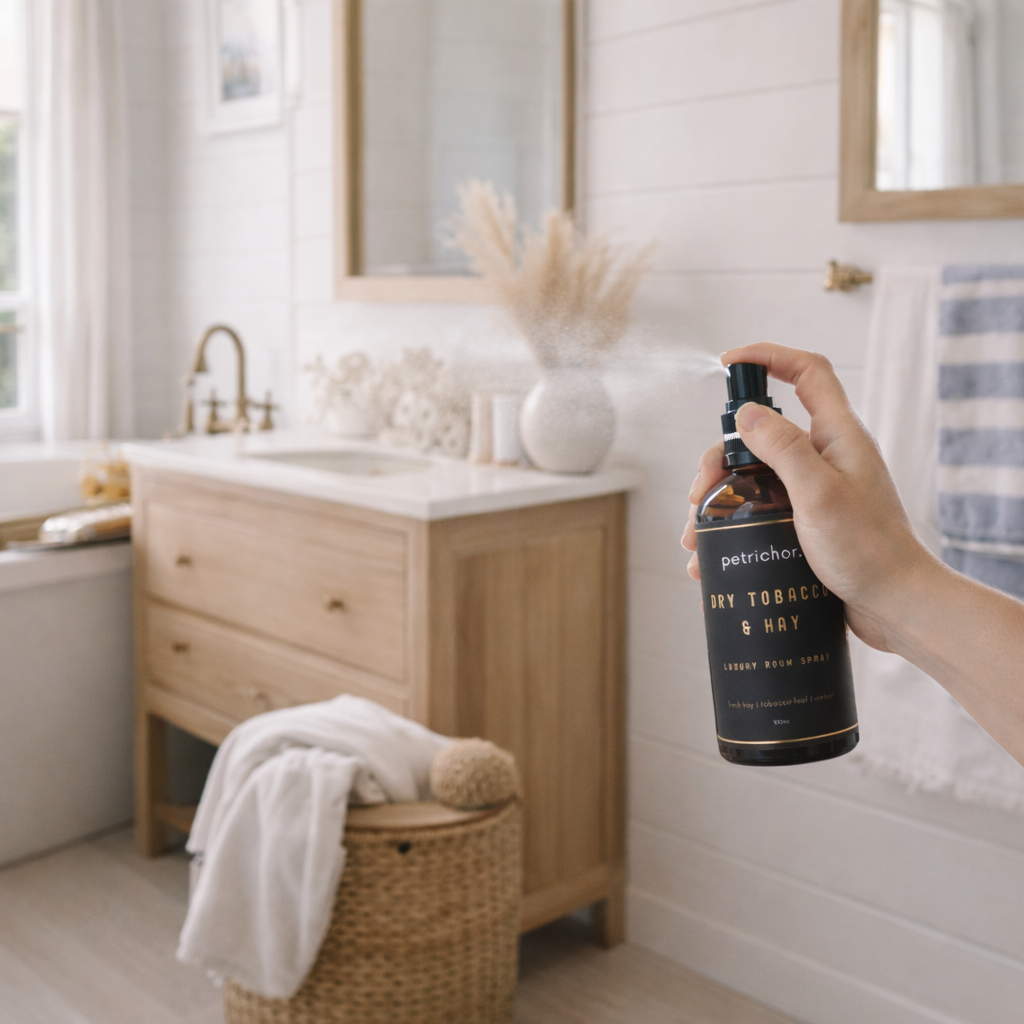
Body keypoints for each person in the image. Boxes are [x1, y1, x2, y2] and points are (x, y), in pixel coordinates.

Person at [680, 343, 1024, 766]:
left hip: (826, 716)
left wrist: (890, 583)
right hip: (746, 726)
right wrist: (889, 592)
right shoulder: (722, 503)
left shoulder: (786, 496)